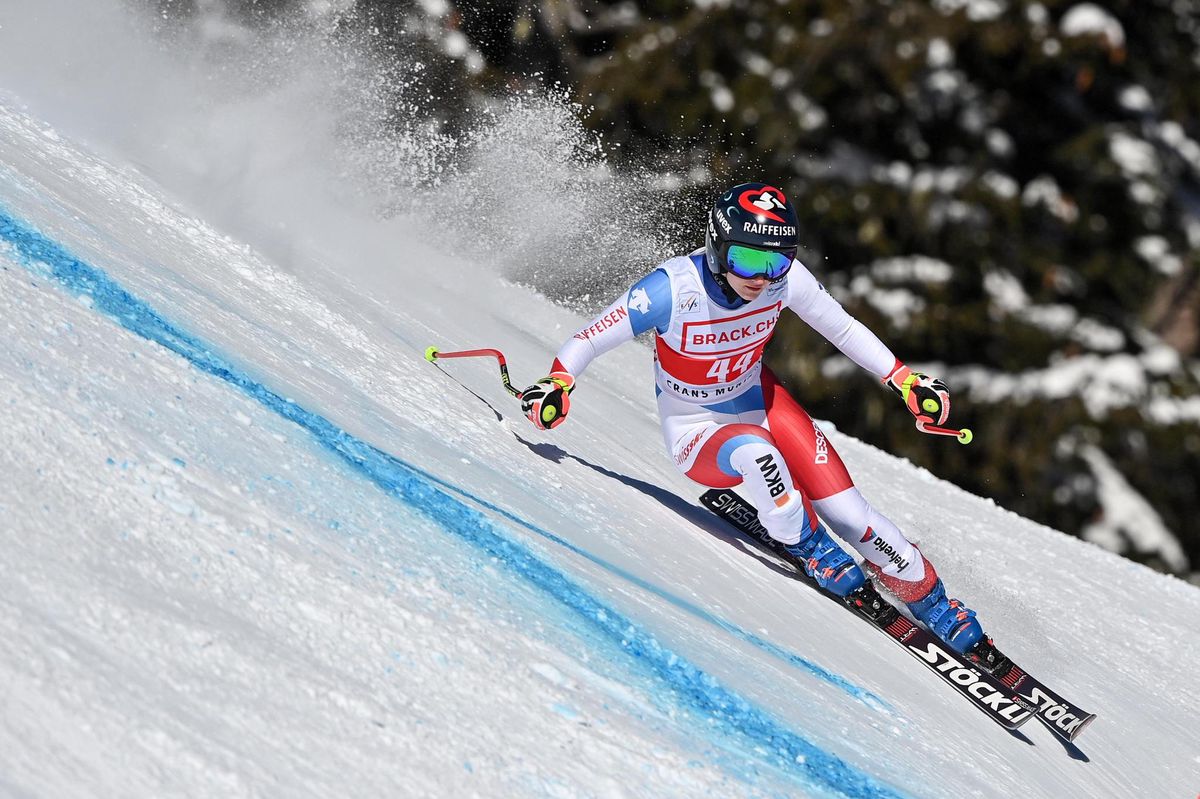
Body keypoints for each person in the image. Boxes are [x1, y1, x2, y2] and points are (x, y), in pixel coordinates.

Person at [519, 181, 992, 659]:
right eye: (746, 260)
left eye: (777, 262)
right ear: (717, 245)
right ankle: (811, 547)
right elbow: (589, 338)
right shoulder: (671, 288)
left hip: (762, 399)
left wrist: (905, 381)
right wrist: (558, 381)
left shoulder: (785, 282)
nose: (762, 279)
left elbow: (843, 328)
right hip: (696, 428)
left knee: (852, 516)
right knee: (759, 456)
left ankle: (933, 601)